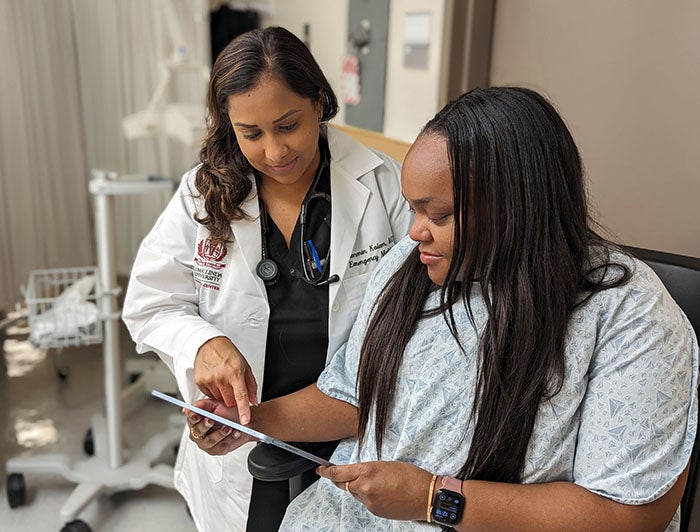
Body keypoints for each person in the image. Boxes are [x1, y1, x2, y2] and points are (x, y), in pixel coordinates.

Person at [185, 86, 699, 531]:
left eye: (441, 215)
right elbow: (355, 399)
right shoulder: (411, 267)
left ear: (519, 207)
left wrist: (436, 498)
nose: (414, 232)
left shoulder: (628, 317)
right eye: (413, 208)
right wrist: (251, 420)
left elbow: (628, 515)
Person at [121, 26, 412, 531]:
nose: (275, 151)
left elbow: (419, 321)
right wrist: (202, 342)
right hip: (242, 447)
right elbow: (150, 302)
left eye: (288, 125)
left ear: (319, 101)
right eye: (251, 134)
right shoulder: (202, 193)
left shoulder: (384, 185)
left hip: (352, 438)